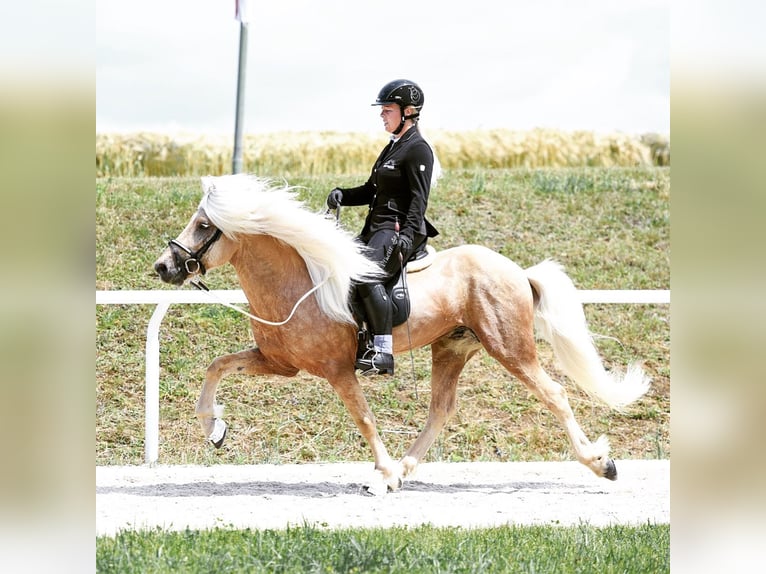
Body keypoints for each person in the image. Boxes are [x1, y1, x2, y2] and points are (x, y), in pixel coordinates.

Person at [326, 79, 439, 375]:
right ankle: (360, 340)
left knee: (366, 274)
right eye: (383, 110)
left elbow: (419, 199)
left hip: (399, 231)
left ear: (408, 112)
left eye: (387, 110)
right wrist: (343, 195)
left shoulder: (418, 149)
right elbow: (370, 190)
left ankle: (383, 353)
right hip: (376, 229)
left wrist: (408, 236)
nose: (382, 115)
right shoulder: (391, 148)